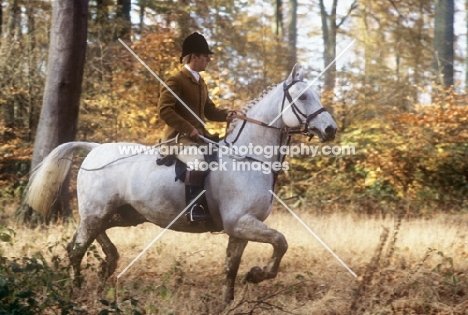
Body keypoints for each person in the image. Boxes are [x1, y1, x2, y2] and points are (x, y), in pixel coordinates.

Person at [158, 32, 234, 222]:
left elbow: (209, 111)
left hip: (199, 138)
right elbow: (165, 111)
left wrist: (227, 115)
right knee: (198, 162)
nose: (208, 60)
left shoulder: (201, 82)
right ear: (194, 57)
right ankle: (194, 208)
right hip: (177, 139)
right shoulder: (176, 79)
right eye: (206, 56)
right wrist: (187, 128)